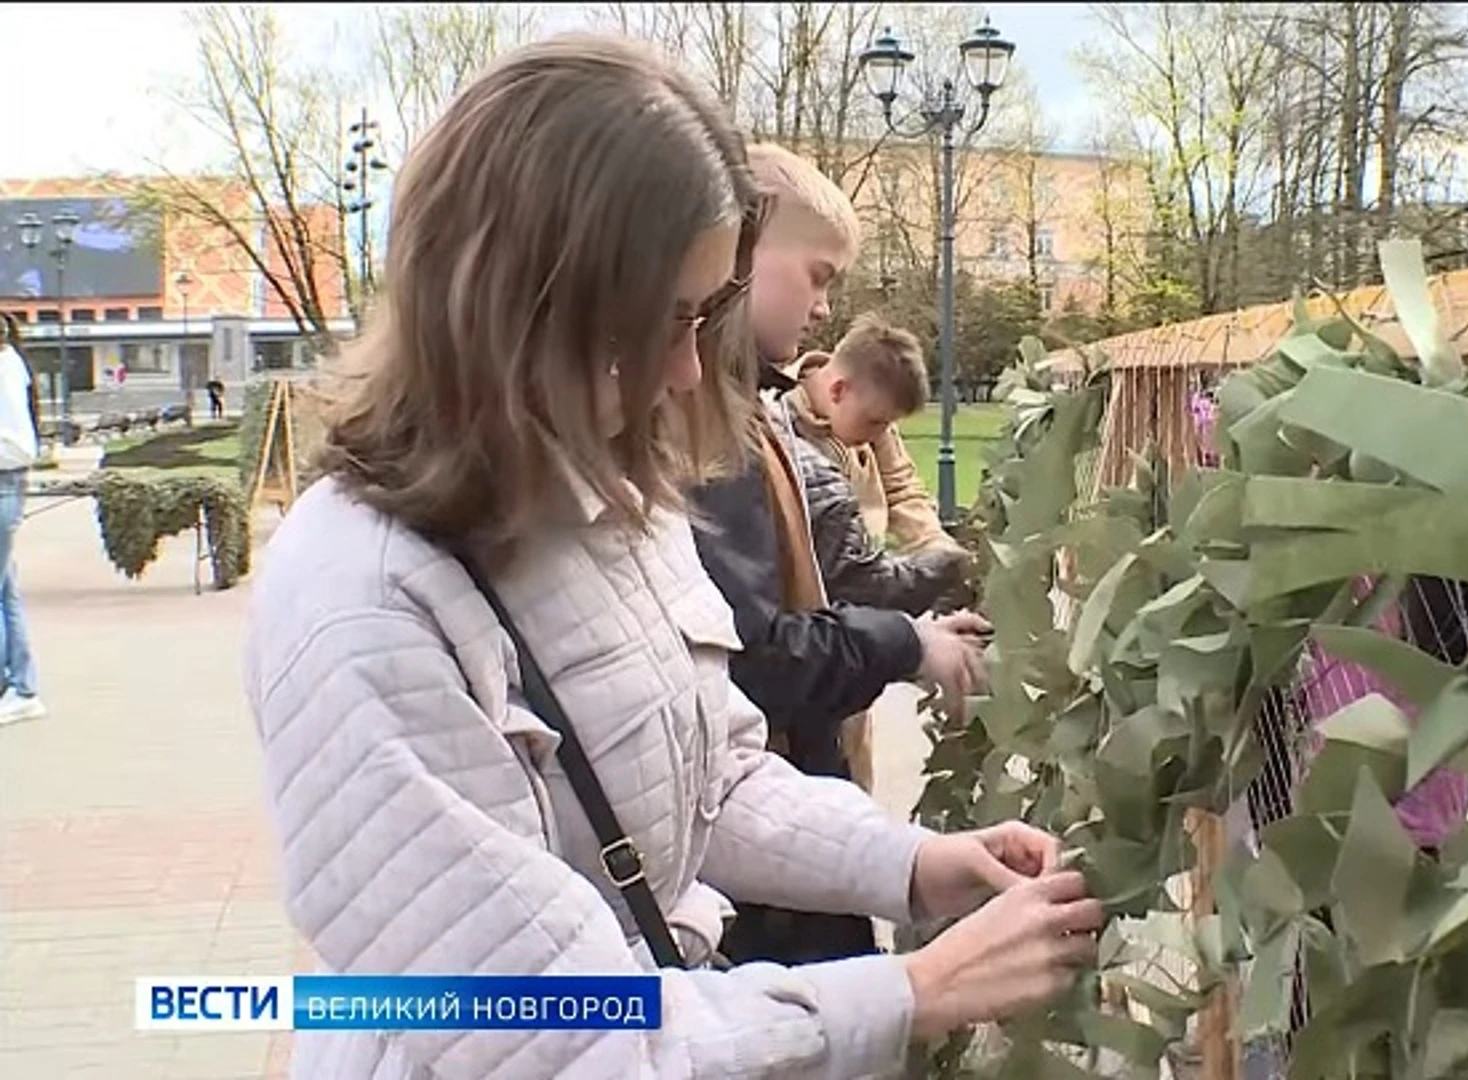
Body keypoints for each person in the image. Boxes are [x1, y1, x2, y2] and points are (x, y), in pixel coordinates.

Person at [242, 36, 1100, 1079]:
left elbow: (718, 779)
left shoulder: (610, 497)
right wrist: (909, 990)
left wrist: (913, 866)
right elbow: (556, 1038)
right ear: (517, 302)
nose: (692, 366)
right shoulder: (364, 599)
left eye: (708, 317)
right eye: (666, 321)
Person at [685, 142, 994, 967]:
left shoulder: (753, 407)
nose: (825, 305)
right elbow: (759, 658)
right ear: (743, 252)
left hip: (785, 798)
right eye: (818, 275)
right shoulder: (712, 432)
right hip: (757, 856)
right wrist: (910, 641)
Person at [775, 314, 971, 610]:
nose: (879, 435)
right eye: (876, 422)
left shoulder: (867, 407)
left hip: (874, 584)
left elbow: (902, 488)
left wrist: (938, 550)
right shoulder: (777, 424)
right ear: (838, 390)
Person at [0, 315, 44, 727]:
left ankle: (20, 688)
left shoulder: (5, 369)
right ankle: (20, 687)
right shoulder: (12, 363)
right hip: (8, 482)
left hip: (3, 480)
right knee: (5, 589)